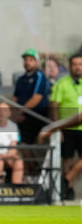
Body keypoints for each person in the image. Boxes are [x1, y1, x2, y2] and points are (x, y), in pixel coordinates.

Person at [48, 54, 82, 200]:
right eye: (74, 64)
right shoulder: (62, 83)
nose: (78, 67)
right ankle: (68, 190)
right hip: (67, 128)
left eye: (80, 64)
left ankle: (67, 178)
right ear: (70, 66)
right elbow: (54, 106)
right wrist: (57, 128)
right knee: (67, 159)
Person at [13, 49, 50, 144]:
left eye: (31, 60)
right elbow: (15, 98)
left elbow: (36, 98)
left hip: (35, 116)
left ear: (36, 62)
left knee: (26, 144)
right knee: (20, 144)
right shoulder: (21, 79)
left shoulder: (39, 77)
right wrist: (15, 113)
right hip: (21, 116)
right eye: (25, 60)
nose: (27, 62)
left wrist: (20, 112)